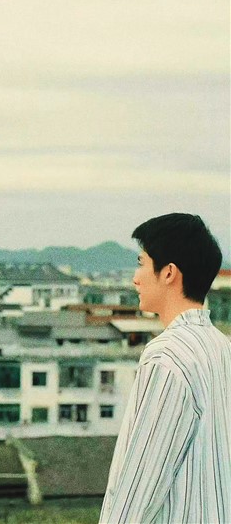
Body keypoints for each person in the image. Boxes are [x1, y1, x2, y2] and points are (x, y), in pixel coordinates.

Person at [99, 213, 231, 524]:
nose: (135, 278)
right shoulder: (221, 346)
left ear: (169, 272)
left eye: (142, 263)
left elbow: (140, 485)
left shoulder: (166, 356)